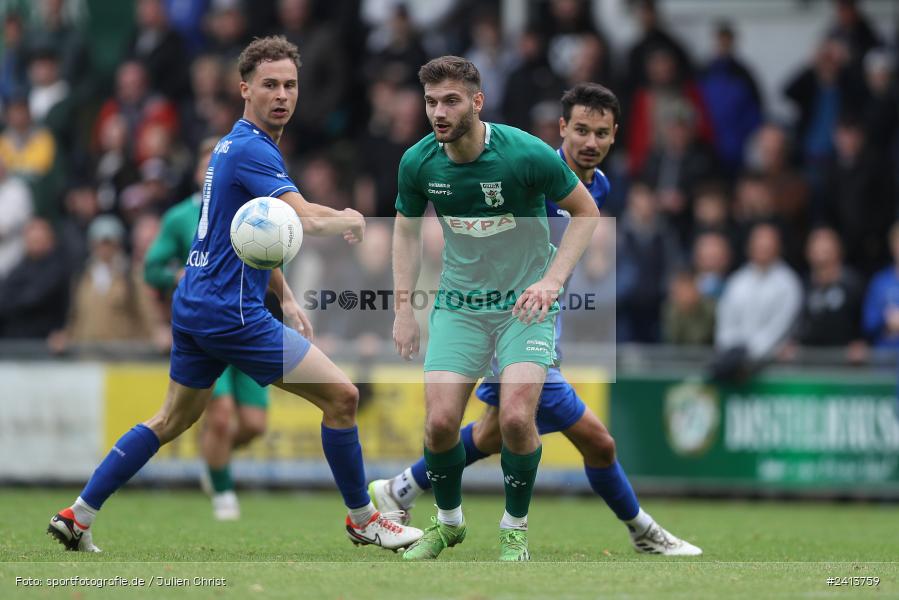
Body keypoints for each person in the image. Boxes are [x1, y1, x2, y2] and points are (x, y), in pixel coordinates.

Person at [47, 36, 422, 553]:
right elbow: (302, 218)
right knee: (343, 397)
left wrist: (286, 298)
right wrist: (348, 218)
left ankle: (79, 514)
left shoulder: (232, 144)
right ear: (244, 88)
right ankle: (364, 519)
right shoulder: (252, 149)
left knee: (171, 419)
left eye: (290, 85)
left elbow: (253, 238)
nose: (282, 95)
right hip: (233, 314)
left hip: (197, 304)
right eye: (270, 84)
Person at [372, 82, 701, 557]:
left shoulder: (599, 184)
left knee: (498, 432)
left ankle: (400, 490)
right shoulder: (535, 172)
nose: (591, 142)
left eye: (602, 133)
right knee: (586, 441)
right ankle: (642, 530)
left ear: (614, 137)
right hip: (502, 317)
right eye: (582, 130)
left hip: (534, 321)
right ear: (562, 129)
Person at [391, 56, 601, 562]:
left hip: (523, 306)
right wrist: (402, 308)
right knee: (440, 425)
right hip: (461, 304)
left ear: (477, 102)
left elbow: (587, 212)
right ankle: (448, 525)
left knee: (512, 418)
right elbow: (405, 229)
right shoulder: (418, 162)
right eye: (431, 101)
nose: (438, 112)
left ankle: (514, 528)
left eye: (451, 100)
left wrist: (552, 281)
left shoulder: (524, 154)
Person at [143, 138, 269, 520]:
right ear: (202, 174)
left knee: (253, 425)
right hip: (206, 326)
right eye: (205, 166)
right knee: (219, 415)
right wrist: (175, 274)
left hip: (247, 322)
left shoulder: (251, 214)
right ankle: (224, 494)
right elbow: (151, 267)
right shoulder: (181, 218)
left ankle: (213, 456)